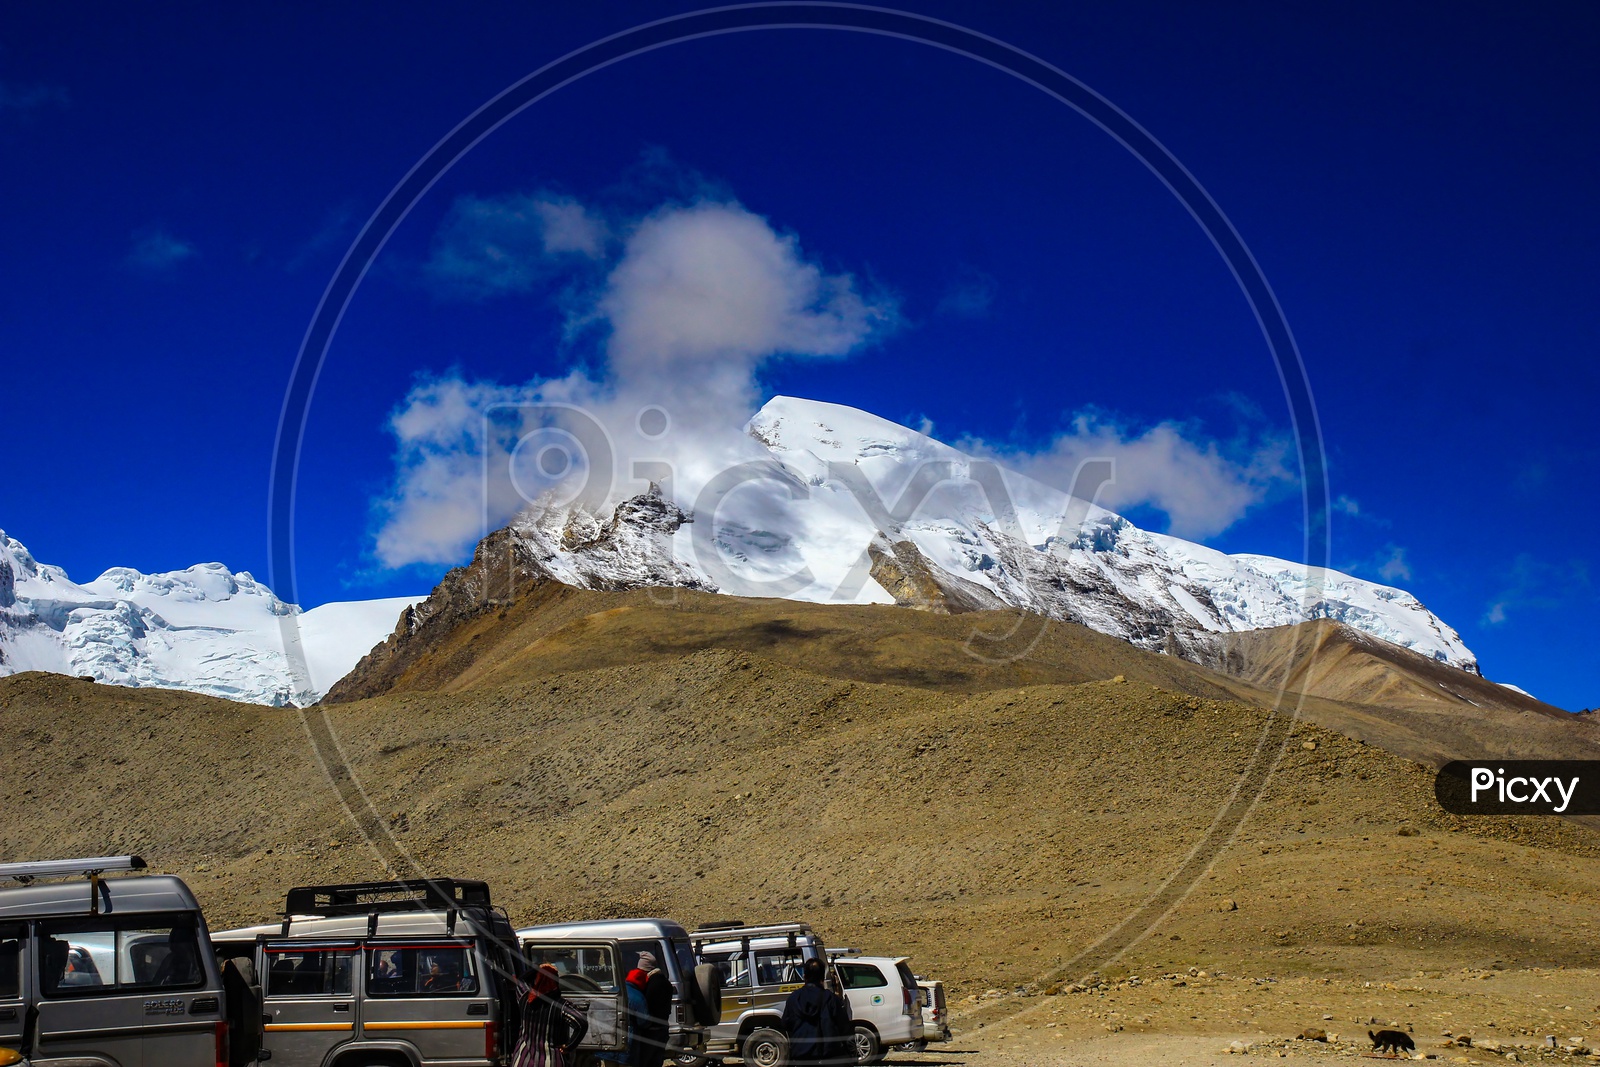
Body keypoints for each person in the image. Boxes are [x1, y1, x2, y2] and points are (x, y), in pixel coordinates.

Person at [513, 962, 589, 1067]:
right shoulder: (561, 1006)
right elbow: (582, 1023)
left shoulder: (524, 999)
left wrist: (537, 968)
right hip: (551, 1061)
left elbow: (521, 981)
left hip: (522, 1060)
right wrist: (569, 1047)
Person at [781, 957, 853, 1067]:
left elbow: (786, 1024)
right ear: (822, 978)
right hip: (829, 1057)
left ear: (804, 976)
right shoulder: (831, 999)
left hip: (802, 1057)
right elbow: (844, 1027)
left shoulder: (794, 999)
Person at [626, 951, 675, 1067]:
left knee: (644, 1062)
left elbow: (644, 1011)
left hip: (651, 1031)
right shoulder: (664, 981)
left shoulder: (652, 983)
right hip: (663, 1028)